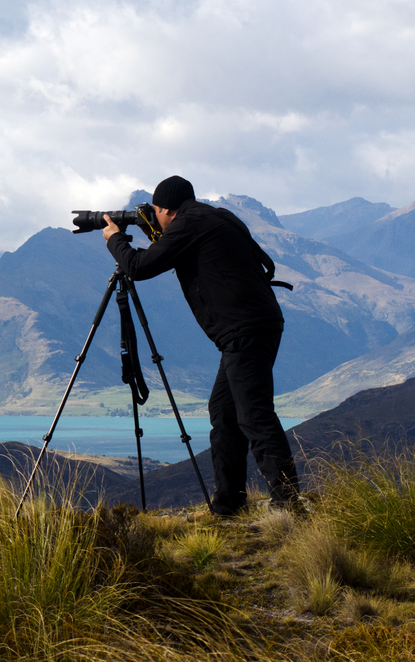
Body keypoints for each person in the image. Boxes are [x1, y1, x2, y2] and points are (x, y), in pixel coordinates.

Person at [102, 175, 300, 517]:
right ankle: (229, 503)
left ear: (165, 209)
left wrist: (114, 239)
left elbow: (137, 267)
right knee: (224, 413)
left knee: (254, 414)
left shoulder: (188, 224)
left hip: (245, 330)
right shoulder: (214, 216)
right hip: (256, 325)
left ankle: (288, 504)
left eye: (157, 213)